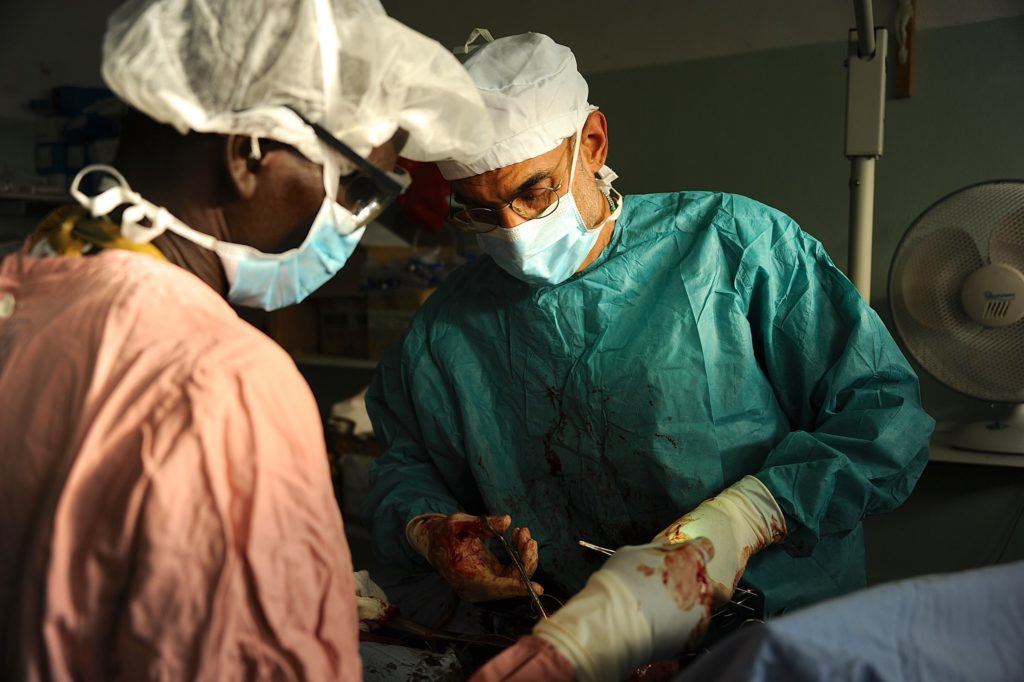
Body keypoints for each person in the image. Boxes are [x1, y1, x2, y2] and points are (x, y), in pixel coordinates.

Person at [363, 30, 935, 671]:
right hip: (578, 645)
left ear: (593, 143)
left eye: (534, 191)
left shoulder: (733, 247)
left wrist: (752, 516)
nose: (515, 232)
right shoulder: (445, 330)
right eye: (480, 212)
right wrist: (433, 531)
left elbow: (882, 415)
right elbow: (405, 467)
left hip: (773, 635)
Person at [0, 1, 493, 679]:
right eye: (355, 188)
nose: (353, 228)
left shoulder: (24, 283)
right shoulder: (223, 381)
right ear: (248, 152)